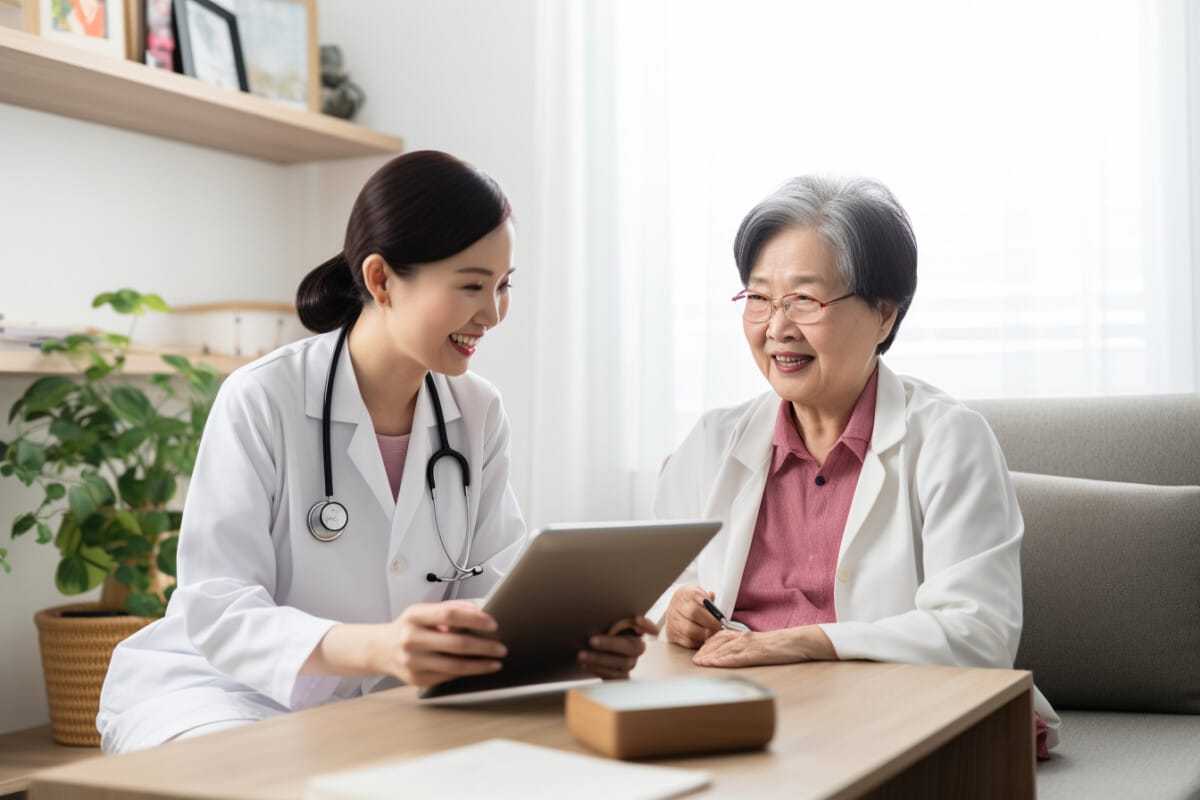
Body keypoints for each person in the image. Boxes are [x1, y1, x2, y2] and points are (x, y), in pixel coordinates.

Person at [98, 150, 656, 754]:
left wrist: (577, 646)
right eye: (471, 285)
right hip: (219, 694)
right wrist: (378, 646)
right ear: (381, 279)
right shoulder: (263, 397)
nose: (492, 314)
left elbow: (489, 597)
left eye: (503, 286)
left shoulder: (477, 412)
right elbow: (218, 607)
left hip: (388, 699)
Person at [652, 175, 1060, 755]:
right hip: (742, 717)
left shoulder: (949, 440)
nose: (776, 327)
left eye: (804, 299)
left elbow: (977, 633)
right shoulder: (712, 442)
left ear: (884, 316)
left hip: (897, 719)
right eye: (760, 297)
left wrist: (807, 641)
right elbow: (648, 597)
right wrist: (676, 611)